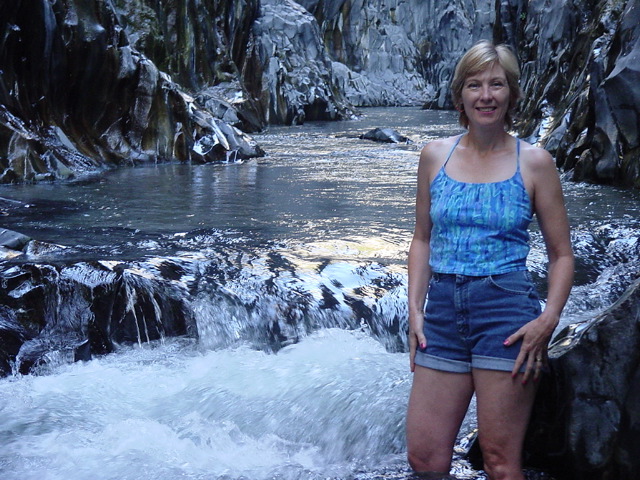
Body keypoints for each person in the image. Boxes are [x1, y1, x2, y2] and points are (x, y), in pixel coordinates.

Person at [405, 40, 574, 480]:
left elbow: (561, 255)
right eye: (474, 85)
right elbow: (422, 239)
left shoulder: (535, 163)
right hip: (442, 312)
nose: (486, 95)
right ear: (459, 94)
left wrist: (549, 319)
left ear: (511, 93)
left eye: (496, 84)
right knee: (426, 459)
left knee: (499, 462)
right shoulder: (434, 156)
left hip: (506, 314)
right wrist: (415, 311)